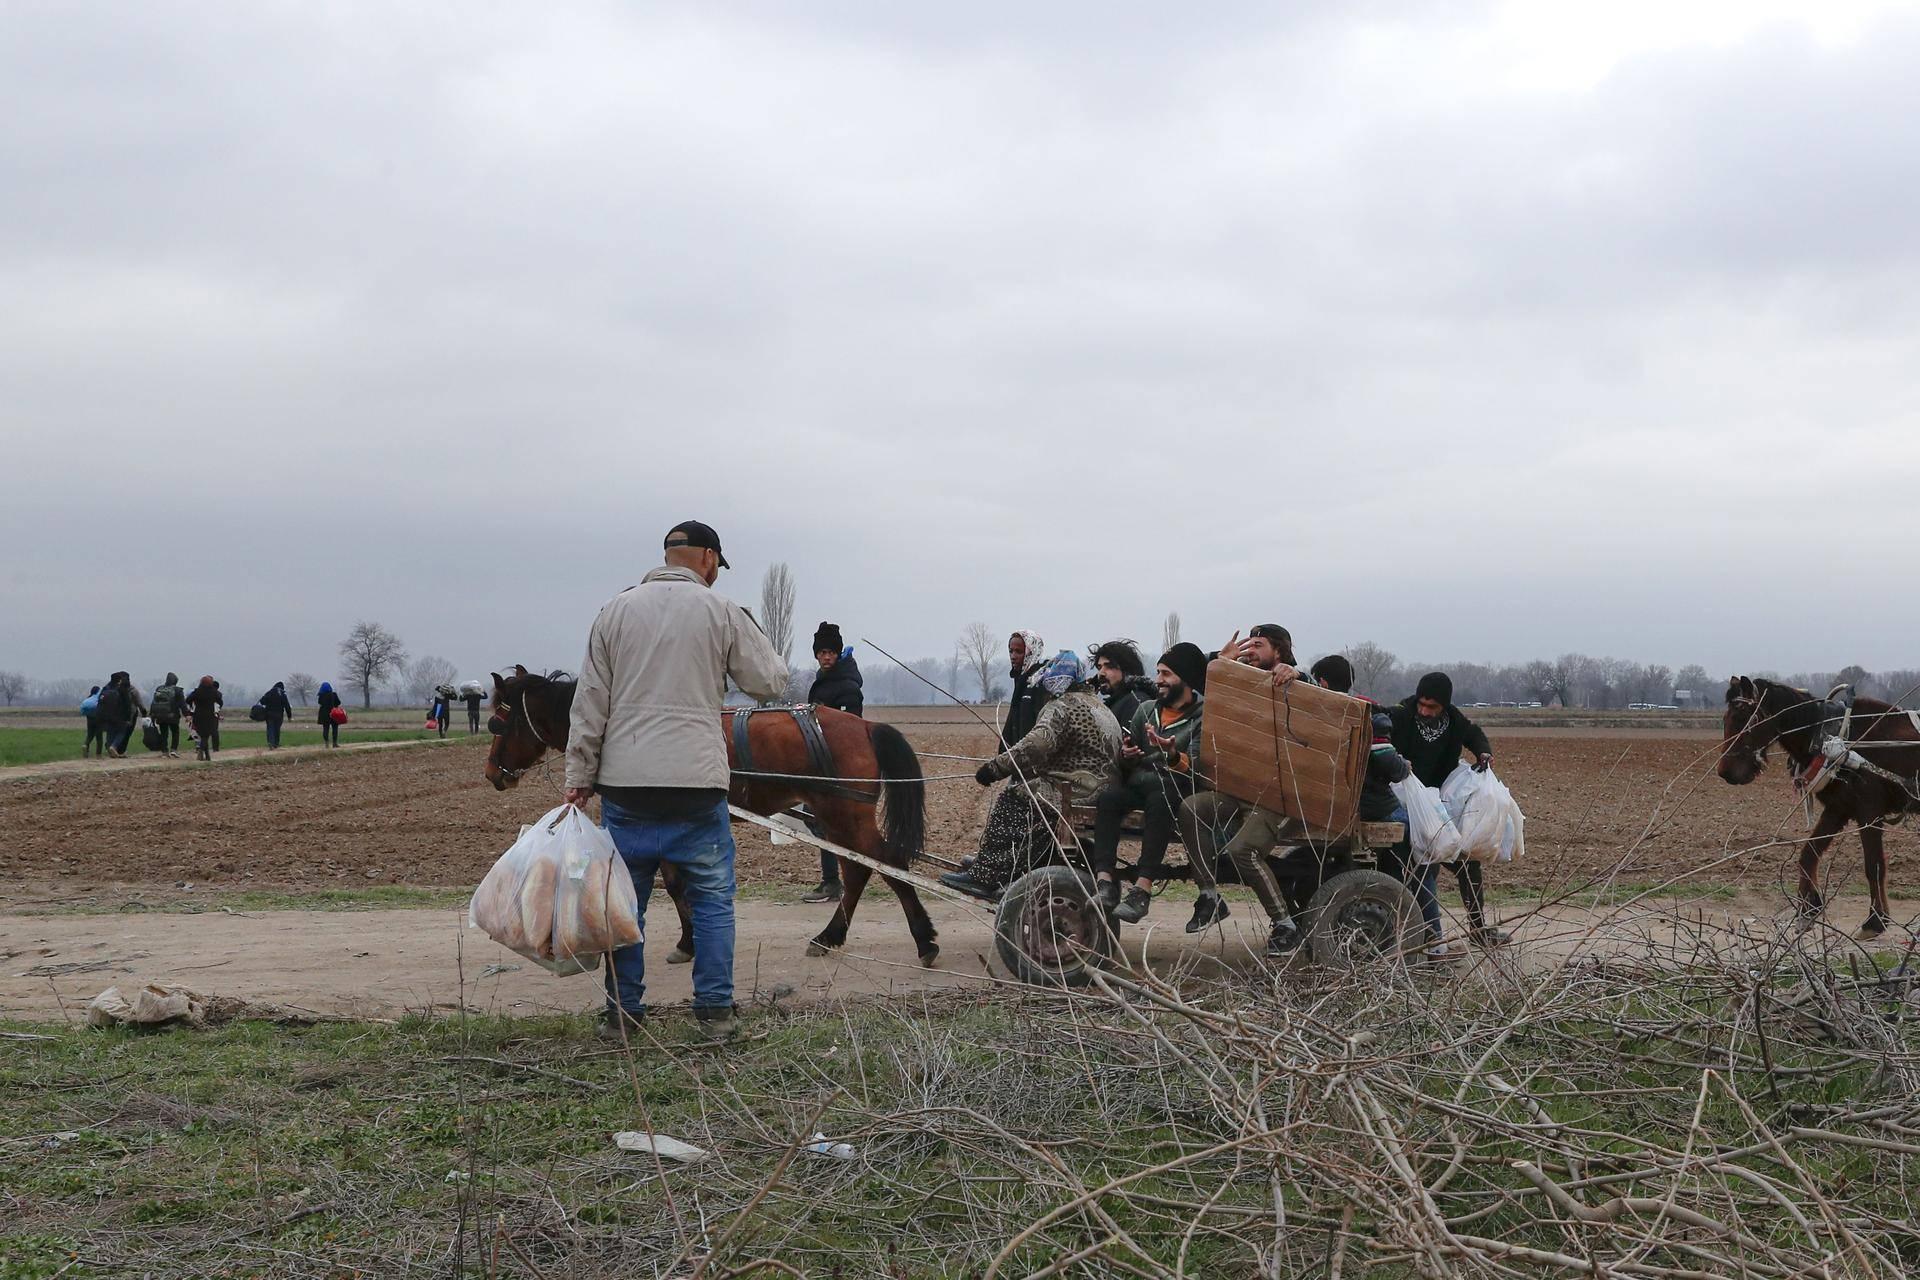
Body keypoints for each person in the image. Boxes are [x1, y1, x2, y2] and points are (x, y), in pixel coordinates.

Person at [563, 520, 788, 1041]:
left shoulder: (614, 611)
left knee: (624, 904)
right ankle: (714, 1014)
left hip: (627, 786)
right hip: (696, 787)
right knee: (711, 900)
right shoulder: (721, 611)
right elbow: (770, 682)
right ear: (708, 558)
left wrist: (579, 776)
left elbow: (589, 701)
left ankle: (622, 1015)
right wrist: (747, 629)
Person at [941, 651, 1122, 900]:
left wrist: (994, 769)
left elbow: (1035, 746)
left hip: (1076, 791)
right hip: (1101, 788)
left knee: (1013, 798)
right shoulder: (1098, 706)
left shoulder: (1062, 707)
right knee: (1029, 796)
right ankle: (1005, 864)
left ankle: (986, 874)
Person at [1390, 671, 1507, 949]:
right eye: (1421, 704)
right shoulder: (1402, 714)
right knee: (1424, 866)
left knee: (1467, 865)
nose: (1424, 711)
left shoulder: (1454, 720)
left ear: (1443, 705)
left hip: (1439, 804)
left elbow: (1473, 734)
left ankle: (1478, 929)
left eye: (1432, 707)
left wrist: (1483, 751)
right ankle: (1424, 937)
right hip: (1405, 801)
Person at [1096, 642, 1208, 924]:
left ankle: (1142, 889)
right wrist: (1128, 755)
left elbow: (1195, 767)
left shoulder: (1203, 718)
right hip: (1142, 783)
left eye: (1166, 674)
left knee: (1161, 798)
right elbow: (1127, 759)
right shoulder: (1146, 710)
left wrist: (1172, 754)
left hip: (1175, 787)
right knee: (1108, 799)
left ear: (1186, 679)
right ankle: (1105, 882)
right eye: (1158, 672)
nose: (1158, 680)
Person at [801, 622, 864, 903]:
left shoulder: (848, 687)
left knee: (825, 822)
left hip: (837, 766)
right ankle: (835, 879)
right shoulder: (822, 681)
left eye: (831, 652)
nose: (826, 657)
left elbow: (850, 730)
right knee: (818, 821)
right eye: (822, 652)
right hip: (819, 763)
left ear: (838, 654)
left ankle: (835, 880)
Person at [1001, 629, 1051, 749]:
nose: (1013, 656)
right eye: (1011, 651)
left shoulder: (1040, 683)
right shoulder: (1020, 681)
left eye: (1019, 652)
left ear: (1032, 652)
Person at [1090, 639, 1156, 729]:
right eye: (1099, 667)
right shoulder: (1117, 702)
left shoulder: (1136, 702)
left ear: (1126, 670)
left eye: (1109, 666)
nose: (1101, 673)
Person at [97, 672, 145, 758]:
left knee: (110, 731)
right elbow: (134, 703)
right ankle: (116, 748)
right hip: (122, 715)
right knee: (123, 732)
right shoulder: (127, 689)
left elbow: (100, 702)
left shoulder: (106, 688)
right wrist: (142, 713)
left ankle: (110, 748)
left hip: (108, 715)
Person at [183, 676, 223, 762]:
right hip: (210, 716)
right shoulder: (214, 692)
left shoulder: (197, 691)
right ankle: (202, 752)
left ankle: (206, 755)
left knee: (203, 735)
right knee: (206, 736)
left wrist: (193, 704)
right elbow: (220, 702)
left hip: (198, 716)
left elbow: (188, 700)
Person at [149, 673, 185, 757]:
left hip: (160, 715)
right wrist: (187, 714)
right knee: (175, 732)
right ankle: (173, 749)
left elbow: (154, 702)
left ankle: (164, 751)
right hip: (173, 715)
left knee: (164, 733)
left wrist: (152, 713)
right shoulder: (178, 690)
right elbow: (182, 704)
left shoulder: (159, 688)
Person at [261, 681, 293, 749]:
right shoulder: (282, 694)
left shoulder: (269, 692)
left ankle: (271, 743)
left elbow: (262, 701)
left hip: (269, 714)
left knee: (270, 728)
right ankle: (276, 744)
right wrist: (289, 716)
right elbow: (287, 706)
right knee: (277, 729)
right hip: (279, 715)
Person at [81, 685, 106, 758]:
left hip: (89, 719)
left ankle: (85, 745)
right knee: (99, 736)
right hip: (98, 718)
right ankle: (98, 754)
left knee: (90, 734)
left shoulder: (89, 698)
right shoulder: (99, 697)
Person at [317, 681, 343, 748]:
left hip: (324, 714)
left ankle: (326, 743)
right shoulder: (333, 694)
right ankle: (334, 743)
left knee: (325, 728)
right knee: (335, 728)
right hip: (333, 713)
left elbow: (319, 703)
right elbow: (338, 702)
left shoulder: (321, 695)